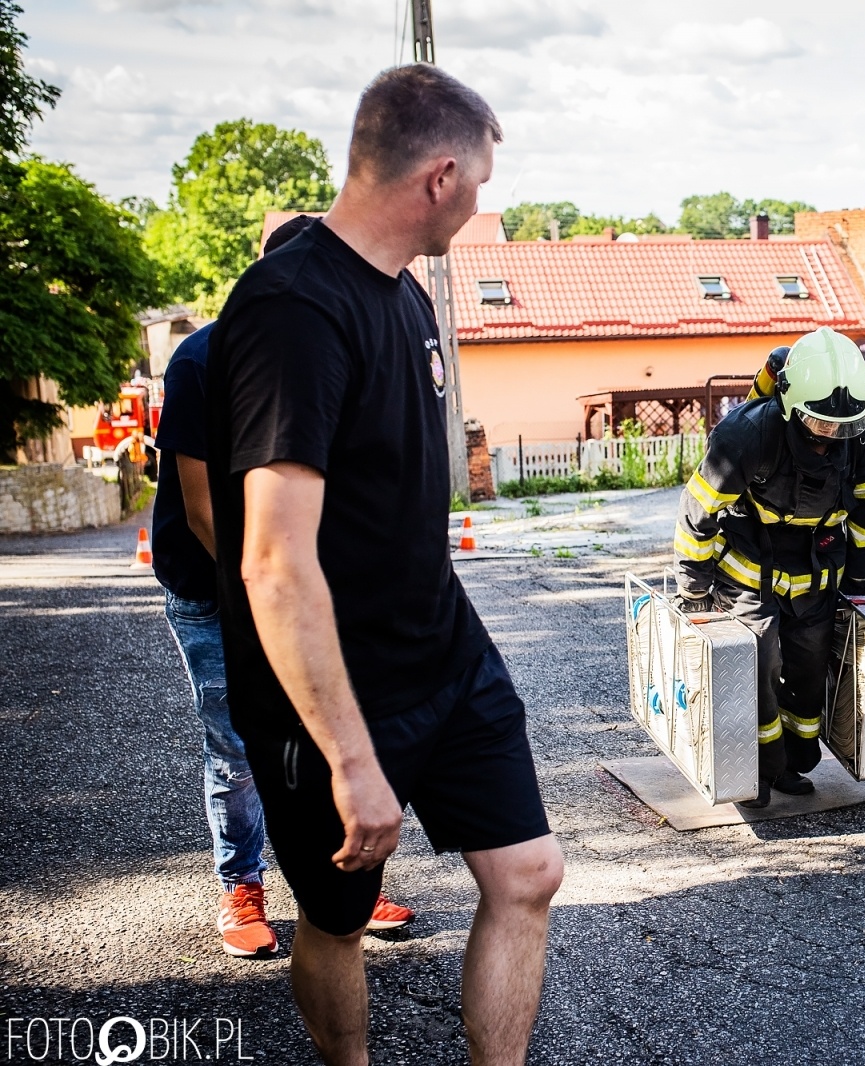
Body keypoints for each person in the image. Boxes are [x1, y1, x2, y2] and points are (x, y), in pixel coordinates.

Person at [205, 65, 563, 1065]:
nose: (482, 204)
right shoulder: (292, 311)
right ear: (440, 175)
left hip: (441, 653)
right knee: (338, 916)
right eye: (482, 183)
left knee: (529, 873)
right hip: (330, 699)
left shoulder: (405, 295)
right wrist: (353, 763)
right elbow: (273, 563)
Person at [153, 214, 414, 959]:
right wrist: (266, 605)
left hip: (306, 586)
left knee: (334, 730)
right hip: (213, 589)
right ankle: (243, 884)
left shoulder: (333, 347)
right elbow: (203, 511)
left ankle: (346, 884)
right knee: (235, 743)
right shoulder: (203, 359)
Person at [674, 326, 865, 809]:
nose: (832, 437)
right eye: (821, 425)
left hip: (817, 569)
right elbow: (697, 512)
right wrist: (694, 589)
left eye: (843, 427)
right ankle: (754, 770)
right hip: (752, 566)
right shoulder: (746, 435)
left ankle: (792, 762)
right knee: (759, 665)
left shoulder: (863, 438)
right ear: (791, 408)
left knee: (809, 671)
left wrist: (858, 582)